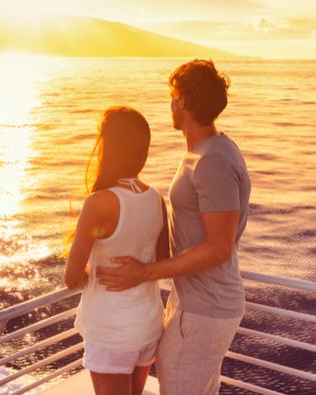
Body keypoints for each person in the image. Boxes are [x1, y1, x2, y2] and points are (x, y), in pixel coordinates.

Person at [97, 59, 251, 395]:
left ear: (183, 102)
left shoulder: (212, 161)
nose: (170, 104)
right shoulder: (209, 152)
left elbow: (219, 247)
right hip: (194, 301)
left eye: (172, 96)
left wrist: (146, 272)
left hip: (204, 308)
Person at [64, 106, 171, 395]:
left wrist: (93, 273)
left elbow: (71, 279)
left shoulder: (99, 203)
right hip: (148, 324)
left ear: (108, 147)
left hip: (112, 331)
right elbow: (162, 262)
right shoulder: (156, 199)